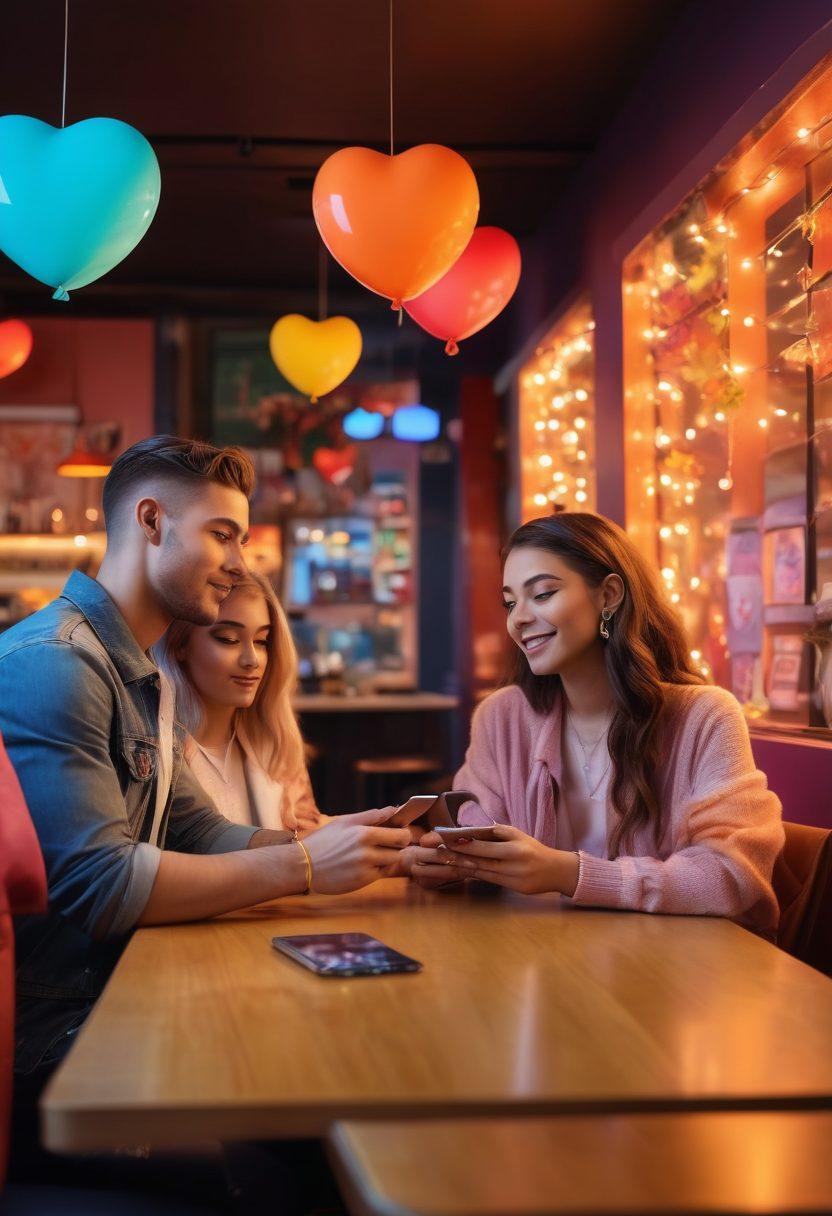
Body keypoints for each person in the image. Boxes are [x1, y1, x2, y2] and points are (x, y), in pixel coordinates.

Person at [0, 436, 409, 1145]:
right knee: (310, 1110)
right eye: (222, 535)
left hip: (120, 992)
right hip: (56, 1034)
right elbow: (102, 888)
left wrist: (356, 845)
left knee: (357, 1050)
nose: (238, 565)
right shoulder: (59, 663)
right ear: (152, 522)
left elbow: (200, 828)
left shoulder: (140, 670)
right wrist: (307, 866)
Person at [406, 512, 784, 936]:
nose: (519, 619)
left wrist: (569, 874)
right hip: (550, 963)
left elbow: (731, 876)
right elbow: (474, 834)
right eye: (511, 603)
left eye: (543, 594)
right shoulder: (503, 717)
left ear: (608, 594)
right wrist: (445, 862)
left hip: (681, 976)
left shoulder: (704, 717)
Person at [153, 571, 324, 834]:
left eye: (261, 641)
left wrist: (393, 847)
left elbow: (310, 841)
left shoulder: (275, 744)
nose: (252, 659)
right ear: (179, 644)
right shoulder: (152, 751)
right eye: (229, 640)